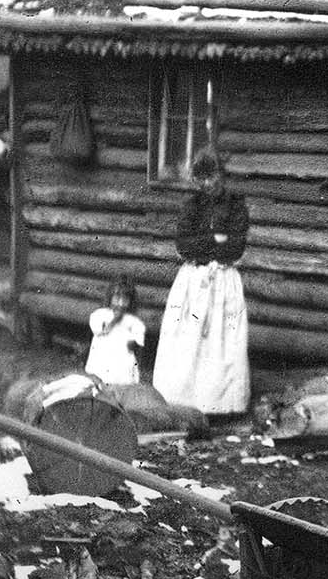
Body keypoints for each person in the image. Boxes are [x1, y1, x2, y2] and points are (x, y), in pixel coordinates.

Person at [152, 148, 250, 416]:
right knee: (188, 338)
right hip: (194, 280)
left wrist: (212, 244)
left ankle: (220, 405)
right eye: (202, 178)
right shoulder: (192, 205)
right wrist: (214, 240)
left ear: (222, 175)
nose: (208, 183)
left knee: (221, 340)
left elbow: (236, 247)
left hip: (223, 279)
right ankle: (184, 401)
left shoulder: (236, 204)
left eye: (212, 176)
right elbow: (184, 245)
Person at [84, 275, 145, 385]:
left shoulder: (133, 321)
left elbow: (137, 346)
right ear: (110, 296)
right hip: (102, 360)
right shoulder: (100, 315)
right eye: (117, 298)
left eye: (125, 299)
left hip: (122, 366)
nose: (120, 303)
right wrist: (115, 320)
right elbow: (99, 331)